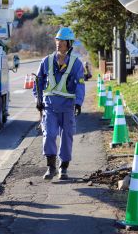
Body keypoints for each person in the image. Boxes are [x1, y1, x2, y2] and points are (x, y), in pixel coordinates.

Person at [33, 27, 85, 180]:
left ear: (69, 43)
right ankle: (51, 167)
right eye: (57, 40)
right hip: (50, 106)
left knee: (67, 136)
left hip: (68, 106)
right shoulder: (46, 61)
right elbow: (39, 81)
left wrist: (78, 103)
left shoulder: (76, 63)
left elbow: (80, 84)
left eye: (62, 41)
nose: (58, 43)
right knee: (49, 134)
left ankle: (63, 167)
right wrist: (38, 98)